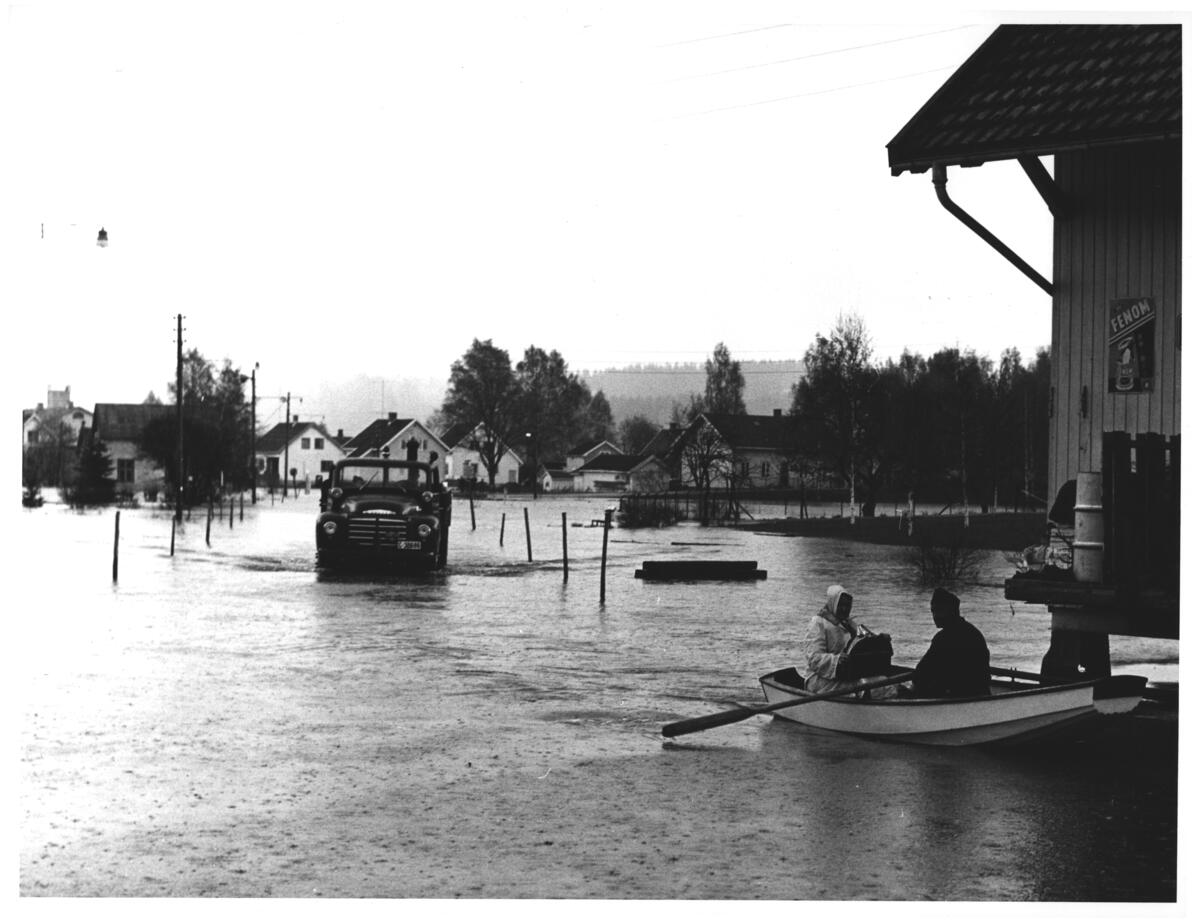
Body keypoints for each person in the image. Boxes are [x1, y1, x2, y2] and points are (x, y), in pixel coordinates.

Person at [800, 584, 897, 698]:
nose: (844, 609)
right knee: (876, 687)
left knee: (884, 681)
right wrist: (836, 660)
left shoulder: (849, 623)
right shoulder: (818, 623)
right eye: (841, 605)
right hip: (820, 681)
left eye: (847, 605)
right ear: (833, 603)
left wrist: (880, 638)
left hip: (845, 675)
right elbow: (814, 658)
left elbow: (866, 639)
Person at [907, 587, 991, 698]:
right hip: (981, 692)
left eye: (939, 611)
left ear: (951, 612)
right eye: (933, 611)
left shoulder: (943, 638)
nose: (935, 617)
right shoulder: (973, 632)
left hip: (957, 694)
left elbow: (920, 673)